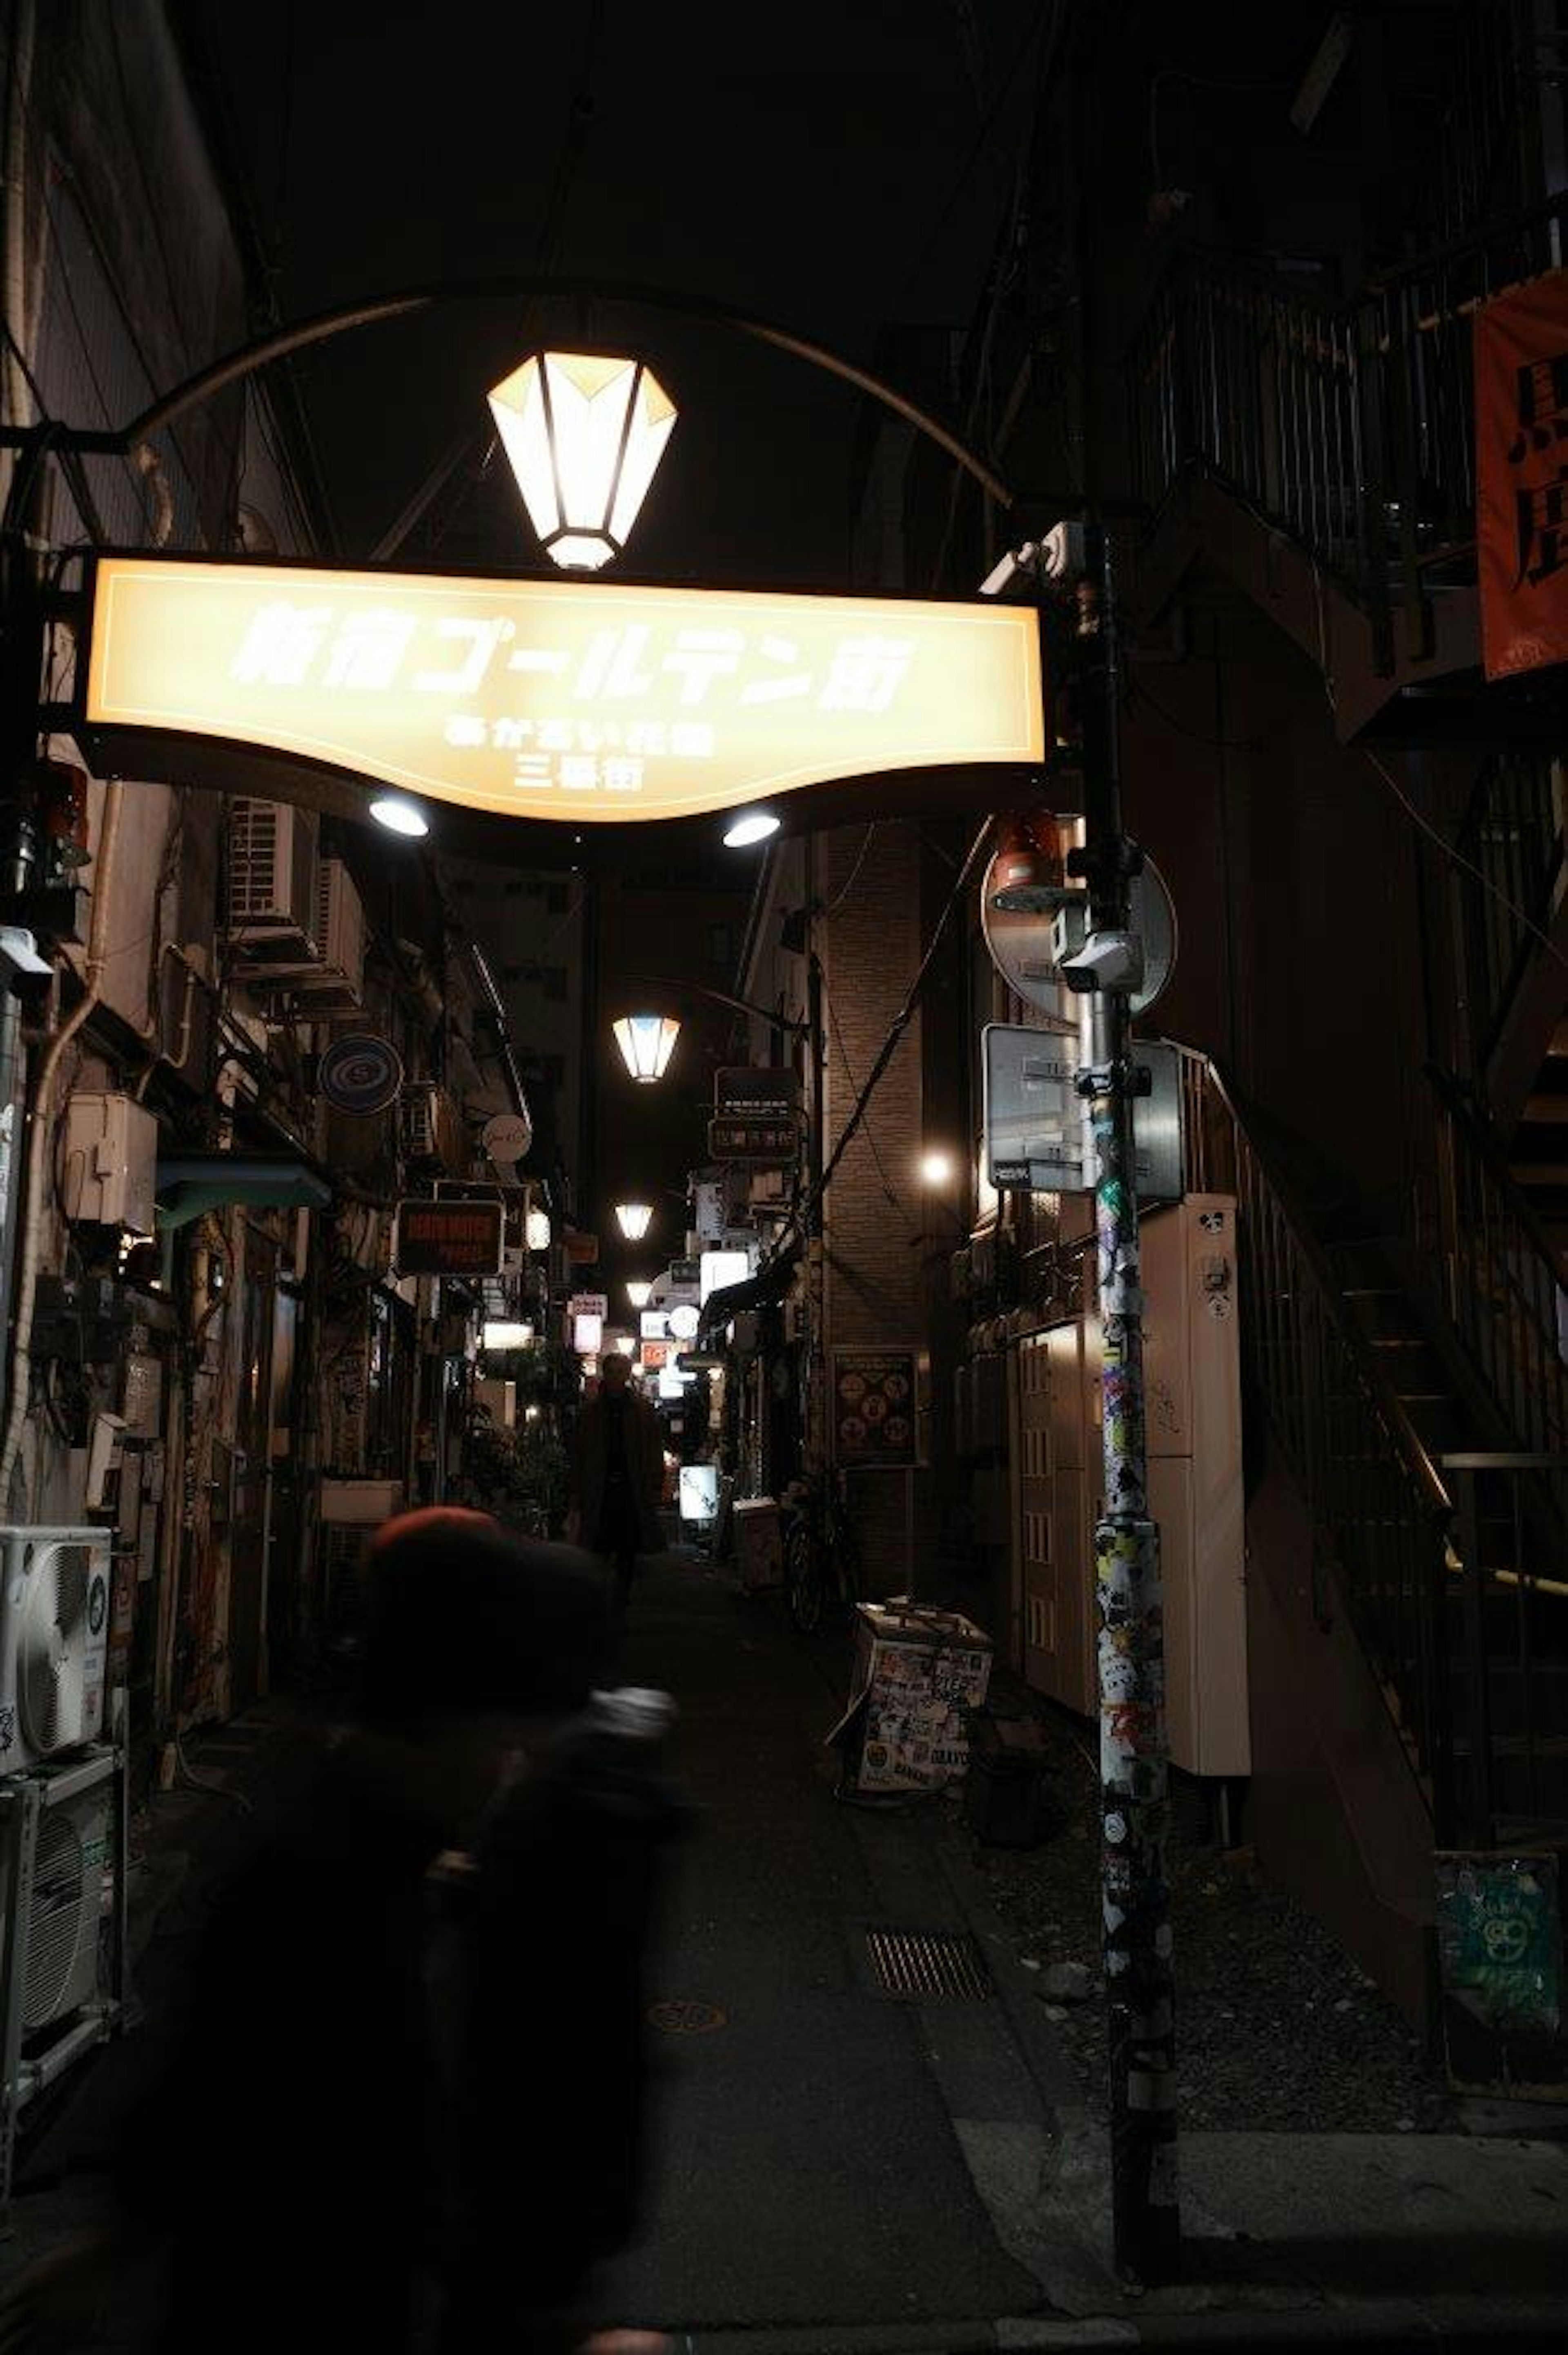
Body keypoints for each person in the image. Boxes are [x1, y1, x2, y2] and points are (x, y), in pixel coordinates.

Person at [0, 1508, 679, 2355]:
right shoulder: (329, 1878)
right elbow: (235, 2083)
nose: (514, 1762)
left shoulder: (385, 1852)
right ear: (451, 1719)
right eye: (506, 1733)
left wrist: (120, 2241)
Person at [571, 1351, 665, 1627]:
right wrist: (577, 1489)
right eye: (612, 1372)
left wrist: (655, 1483)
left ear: (626, 1375)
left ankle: (618, 1603)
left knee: (625, 1550)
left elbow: (653, 1449)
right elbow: (579, 1454)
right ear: (605, 1374)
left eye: (620, 1372)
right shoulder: (591, 1412)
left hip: (628, 1489)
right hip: (600, 1488)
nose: (616, 1378)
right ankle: (604, 1603)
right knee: (599, 1549)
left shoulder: (640, 1410)